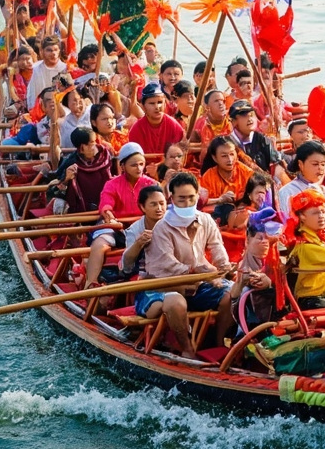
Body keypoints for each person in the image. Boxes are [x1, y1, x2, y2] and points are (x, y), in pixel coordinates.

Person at [138, 171, 233, 359]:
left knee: (230, 293)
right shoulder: (162, 227)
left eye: (191, 198)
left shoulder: (206, 219)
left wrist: (224, 268)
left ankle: (218, 342)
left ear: (198, 196)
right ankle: (187, 349)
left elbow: (217, 247)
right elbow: (168, 265)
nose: (187, 203)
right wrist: (202, 271)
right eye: (181, 199)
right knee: (176, 302)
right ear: (171, 198)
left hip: (197, 283)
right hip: (163, 284)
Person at [84, 142, 148, 288]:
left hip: (143, 226)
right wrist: (109, 215)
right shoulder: (112, 184)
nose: (139, 168)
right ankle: (90, 283)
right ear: (122, 166)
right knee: (99, 245)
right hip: (115, 226)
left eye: (141, 164)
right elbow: (106, 204)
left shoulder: (151, 184)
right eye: (134, 165)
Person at [47, 126, 113, 215]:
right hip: (81, 210)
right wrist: (66, 179)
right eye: (92, 143)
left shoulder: (105, 156)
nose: (96, 145)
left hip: (107, 206)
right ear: (82, 147)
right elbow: (54, 191)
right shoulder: (72, 163)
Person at [120, 183, 168, 278]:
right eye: (153, 204)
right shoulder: (134, 230)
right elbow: (127, 266)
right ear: (142, 207)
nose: (159, 208)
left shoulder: (174, 222)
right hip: (146, 276)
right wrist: (139, 243)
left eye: (162, 204)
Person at [278, 140, 325, 219]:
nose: (320, 168)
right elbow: (286, 222)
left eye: (323, 164)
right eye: (315, 164)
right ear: (301, 164)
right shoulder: (287, 192)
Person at [229, 99, 284, 177]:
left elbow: (276, 164)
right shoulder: (227, 143)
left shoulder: (262, 139)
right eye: (244, 116)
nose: (249, 119)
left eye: (251, 115)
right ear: (233, 121)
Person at [128, 82, 185, 158]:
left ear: (165, 104)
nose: (157, 107)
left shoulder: (174, 126)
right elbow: (135, 158)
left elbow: (179, 156)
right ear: (143, 107)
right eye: (152, 103)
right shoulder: (136, 129)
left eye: (160, 102)